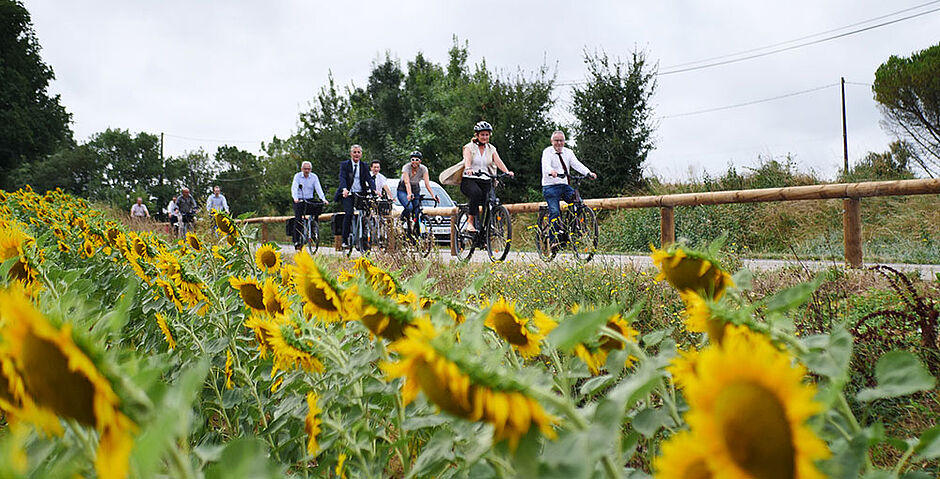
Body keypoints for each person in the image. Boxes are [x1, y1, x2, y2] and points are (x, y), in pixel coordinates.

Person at [541, 130, 597, 244]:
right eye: (556, 140)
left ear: (564, 141)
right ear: (552, 141)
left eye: (561, 141)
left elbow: (576, 164)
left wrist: (588, 173)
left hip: (565, 185)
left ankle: (573, 232)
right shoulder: (547, 152)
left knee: (578, 204)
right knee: (555, 212)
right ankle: (553, 240)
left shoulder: (568, 152)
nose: (559, 143)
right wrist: (551, 171)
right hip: (550, 186)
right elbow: (545, 165)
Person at [460, 121, 513, 232]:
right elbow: (467, 160)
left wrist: (507, 172)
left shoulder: (491, 149)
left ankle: (486, 231)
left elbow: (498, 161)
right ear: (477, 135)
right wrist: (469, 168)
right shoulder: (469, 147)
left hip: (485, 179)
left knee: (490, 201)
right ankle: (470, 223)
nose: (485, 137)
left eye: (487, 134)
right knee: (476, 193)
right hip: (470, 180)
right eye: (482, 134)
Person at [334, 144, 376, 247]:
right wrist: (344, 189)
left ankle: (364, 236)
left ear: (361, 154)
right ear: (351, 153)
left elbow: (369, 178)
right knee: (349, 213)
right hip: (348, 193)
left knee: (365, 213)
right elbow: (342, 177)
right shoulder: (345, 165)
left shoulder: (364, 166)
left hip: (360, 192)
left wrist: (374, 189)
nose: (356, 154)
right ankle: (345, 239)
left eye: (358, 152)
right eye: (354, 152)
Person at [291, 161, 329, 250]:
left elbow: (318, 188)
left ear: (310, 169)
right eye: (305, 169)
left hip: (309, 198)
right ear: (302, 169)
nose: (307, 171)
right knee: (298, 219)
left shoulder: (314, 177)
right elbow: (294, 188)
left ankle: (314, 229)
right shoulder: (297, 177)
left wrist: (323, 199)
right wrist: (295, 198)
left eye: (308, 169)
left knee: (317, 208)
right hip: (300, 199)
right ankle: (297, 240)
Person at [397, 151, 439, 229]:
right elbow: (407, 182)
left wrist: (433, 195)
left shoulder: (423, 169)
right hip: (403, 189)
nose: (414, 162)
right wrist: (409, 194)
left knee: (416, 209)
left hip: (416, 188)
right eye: (412, 159)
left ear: (420, 161)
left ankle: (414, 228)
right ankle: (401, 220)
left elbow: (427, 184)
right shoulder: (406, 167)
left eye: (417, 160)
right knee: (409, 207)